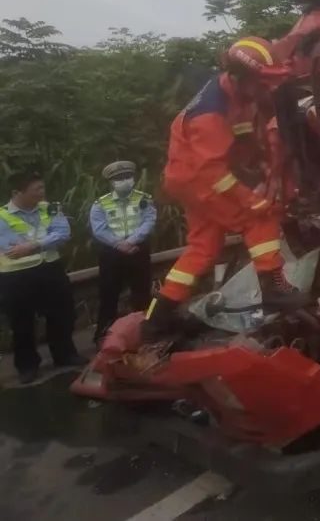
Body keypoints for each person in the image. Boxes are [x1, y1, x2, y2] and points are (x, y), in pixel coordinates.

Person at [142, 36, 302, 340]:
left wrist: (262, 166)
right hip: (199, 179)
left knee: (203, 248)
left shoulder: (235, 96)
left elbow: (242, 141)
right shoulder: (209, 115)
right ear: (240, 78)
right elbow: (214, 172)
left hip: (188, 178)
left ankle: (157, 319)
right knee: (260, 215)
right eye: (260, 82)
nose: (264, 89)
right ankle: (273, 288)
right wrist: (250, 198)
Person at [0, 171, 86, 384]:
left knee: (63, 313)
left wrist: (31, 245)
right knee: (22, 322)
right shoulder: (2, 216)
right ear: (17, 192)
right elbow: (10, 248)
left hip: (50, 269)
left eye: (42, 188)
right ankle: (27, 366)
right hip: (16, 275)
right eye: (36, 189)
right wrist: (46, 240)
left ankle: (64, 354)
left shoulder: (50, 208)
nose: (42, 193)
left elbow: (63, 233)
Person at [89, 160, 157, 344]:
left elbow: (149, 221)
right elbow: (99, 229)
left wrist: (131, 241)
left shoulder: (144, 199)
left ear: (133, 177)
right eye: (118, 178)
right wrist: (119, 244)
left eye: (127, 176)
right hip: (112, 253)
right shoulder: (100, 204)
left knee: (142, 293)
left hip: (138, 250)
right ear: (110, 182)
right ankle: (104, 336)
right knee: (109, 295)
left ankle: (147, 333)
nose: (123, 180)